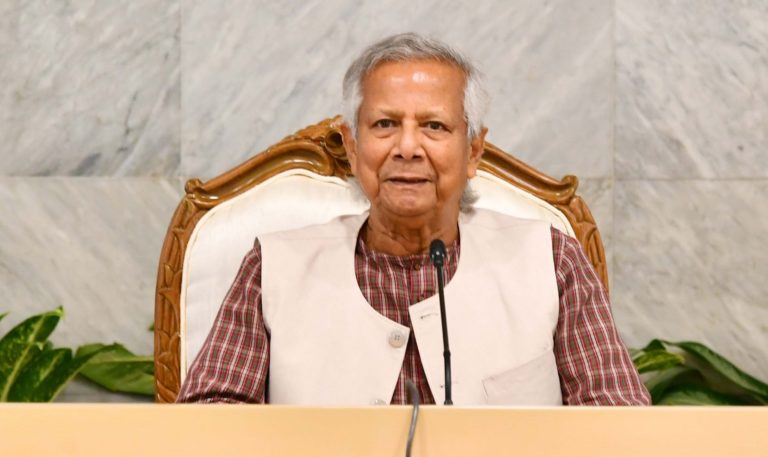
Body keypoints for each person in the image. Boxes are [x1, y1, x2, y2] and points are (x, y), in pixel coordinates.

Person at [177, 33, 650, 406]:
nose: (407, 147)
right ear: (352, 146)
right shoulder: (272, 267)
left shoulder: (551, 260)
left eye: (434, 126)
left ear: (474, 151)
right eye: (385, 124)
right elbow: (208, 420)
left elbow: (618, 421)